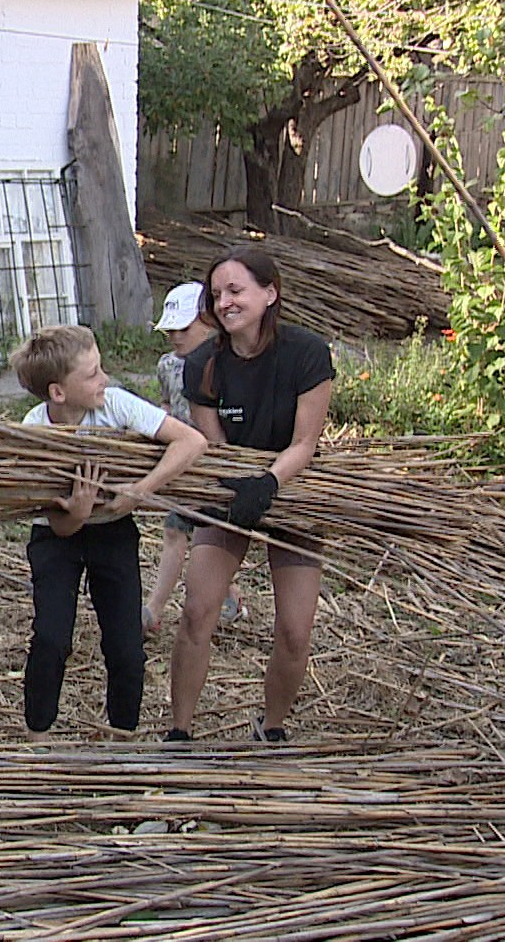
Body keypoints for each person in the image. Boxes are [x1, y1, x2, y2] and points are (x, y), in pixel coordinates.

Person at [165, 245, 334, 744]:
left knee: (294, 631)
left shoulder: (307, 354)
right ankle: (179, 733)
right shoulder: (202, 364)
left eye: (236, 290)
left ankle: (273, 728)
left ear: (270, 293)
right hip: (230, 489)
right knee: (198, 610)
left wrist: (270, 483)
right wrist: (239, 485)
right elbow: (212, 445)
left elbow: (306, 441)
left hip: (293, 489)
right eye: (217, 294)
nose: (225, 302)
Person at [9, 324, 207, 741]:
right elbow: (57, 524)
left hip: (114, 531)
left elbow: (190, 442)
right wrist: (77, 514)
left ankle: (123, 735)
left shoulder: (114, 404)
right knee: (51, 638)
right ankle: (38, 735)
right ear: (58, 392)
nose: (105, 380)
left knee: (125, 644)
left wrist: (140, 491)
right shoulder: (36, 433)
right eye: (93, 374)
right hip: (56, 538)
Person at [143, 282, 243, 637]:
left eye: (183, 329)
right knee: (185, 530)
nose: (175, 337)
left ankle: (155, 608)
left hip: (213, 463)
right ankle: (226, 595)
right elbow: (167, 406)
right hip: (183, 462)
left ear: (208, 322)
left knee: (187, 530)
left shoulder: (227, 364)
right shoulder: (168, 366)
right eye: (170, 331)